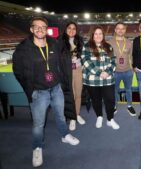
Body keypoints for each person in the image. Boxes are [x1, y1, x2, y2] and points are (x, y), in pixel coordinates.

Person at [12, 17, 79, 168]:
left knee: (61, 116)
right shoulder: (23, 49)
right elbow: (18, 71)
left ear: (46, 28)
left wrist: (62, 83)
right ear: (31, 29)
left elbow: (64, 60)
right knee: (38, 124)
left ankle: (65, 135)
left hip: (56, 89)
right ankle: (37, 147)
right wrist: (30, 90)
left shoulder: (54, 43)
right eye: (37, 27)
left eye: (43, 27)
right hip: (39, 92)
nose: (40, 29)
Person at [81, 26, 120, 130]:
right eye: (96, 34)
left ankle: (110, 119)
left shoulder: (109, 46)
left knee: (110, 100)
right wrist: (99, 73)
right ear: (92, 35)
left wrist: (107, 72)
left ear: (103, 35)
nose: (98, 36)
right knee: (96, 100)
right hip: (92, 80)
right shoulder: (86, 46)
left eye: (100, 34)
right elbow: (86, 61)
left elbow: (113, 61)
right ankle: (99, 116)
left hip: (107, 79)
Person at [58, 21, 85, 131]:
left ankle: (77, 114)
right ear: (65, 29)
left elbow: (83, 54)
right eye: (69, 28)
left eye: (74, 28)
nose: (72, 30)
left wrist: (82, 64)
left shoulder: (79, 40)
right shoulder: (60, 41)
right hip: (67, 71)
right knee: (71, 95)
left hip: (78, 69)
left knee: (78, 93)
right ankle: (72, 118)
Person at [108, 22, 136, 116]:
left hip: (128, 71)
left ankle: (129, 106)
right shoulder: (109, 42)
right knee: (115, 90)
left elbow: (131, 56)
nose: (120, 30)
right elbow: (107, 58)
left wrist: (132, 69)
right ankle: (114, 106)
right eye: (118, 28)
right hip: (115, 72)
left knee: (128, 89)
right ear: (115, 30)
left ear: (125, 30)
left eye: (122, 28)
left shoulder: (129, 43)